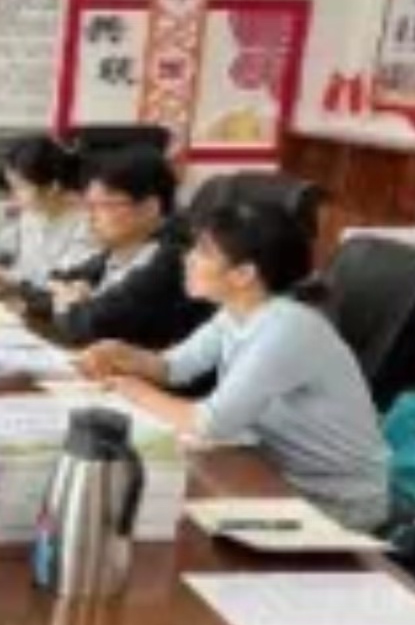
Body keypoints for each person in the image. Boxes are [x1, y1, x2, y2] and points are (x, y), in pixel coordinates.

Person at [77, 193, 394, 530]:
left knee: (165, 521)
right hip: (272, 476)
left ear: (244, 274)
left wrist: (130, 389)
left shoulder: (289, 328)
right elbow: (174, 368)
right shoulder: (237, 313)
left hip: (334, 504)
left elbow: (210, 423)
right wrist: (121, 353)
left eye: (203, 252)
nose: (188, 259)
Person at [31, 151, 210, 352]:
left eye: (102, 206)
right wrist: (72, 298)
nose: (90, 217)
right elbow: (44, 290)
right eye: (88, 206)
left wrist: (72, 304)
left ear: (149, 208)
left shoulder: (172, 259)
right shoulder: (119, 250)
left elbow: (90, 327)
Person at [0, 134, 94, 295]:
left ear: (53, 187)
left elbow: (62, 283)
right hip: (22, 300)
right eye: (11, 186)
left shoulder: (88, 225)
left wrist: (9, 278)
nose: (13, 196)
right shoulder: (33, 213)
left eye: (20, 187)